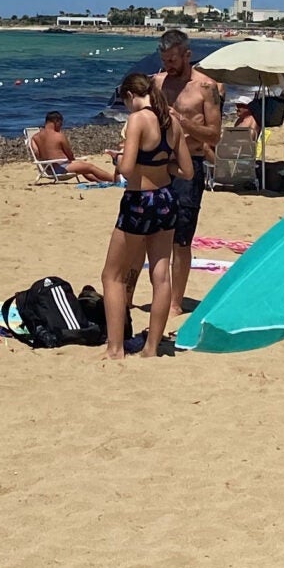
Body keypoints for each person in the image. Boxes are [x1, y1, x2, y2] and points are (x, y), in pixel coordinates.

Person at [99, 72, 182, 360]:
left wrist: (117, 158)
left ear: (131, 96)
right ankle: (151, 347)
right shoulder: (172, 121)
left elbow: (126, 168)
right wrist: (162, 166)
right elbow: (187, 170)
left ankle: (115, 348)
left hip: (139, 201)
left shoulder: (137, 120)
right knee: (161, 275)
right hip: (166, 197)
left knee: (112, 276)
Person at [151, 30, 222, 346]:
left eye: (173, 60)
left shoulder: (205, 88)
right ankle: (153, 293)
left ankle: (177, 301)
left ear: (187, 54)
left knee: (181, 238)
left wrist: (181, 119)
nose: (169, 66)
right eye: (164, 60)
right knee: (150, 232)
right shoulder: (158, 82)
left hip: (188, 166)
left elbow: (214, 135)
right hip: (156, 164)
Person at [29, 112, 116, 184]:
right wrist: (70, 159)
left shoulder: (35, 137)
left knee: (83, 168)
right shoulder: (59, 136)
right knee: (90, 167)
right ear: (56, 121)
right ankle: (115, 179)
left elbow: (36, 153)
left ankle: (100, 181)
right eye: (60, 124)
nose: (60, 127)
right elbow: (69, 154)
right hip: (60, 168)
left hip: (48, 169)